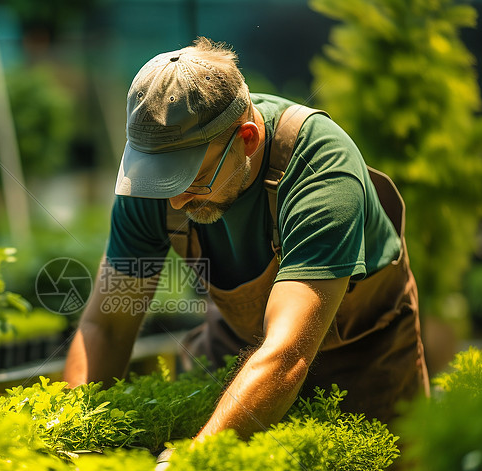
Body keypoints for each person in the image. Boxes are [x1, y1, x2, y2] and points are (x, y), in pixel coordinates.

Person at [63, 37, 429, 443]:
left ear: (248, 139)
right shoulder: (153, 187)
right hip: (236, 359)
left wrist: (193, 459)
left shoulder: (319, 167)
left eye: (190, 179)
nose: (174, 199)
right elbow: (107, 326)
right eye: (159, 179)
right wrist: (76, 438)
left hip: (364, 371)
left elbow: (287, 352)